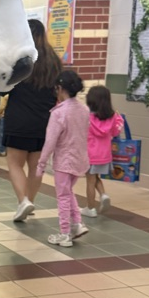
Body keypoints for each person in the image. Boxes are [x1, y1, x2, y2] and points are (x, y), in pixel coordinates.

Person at [1, 19, 61, 221]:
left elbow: (2, 89)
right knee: (36, 166)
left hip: (19, 120)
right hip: (44, 121)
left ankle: (23, 201)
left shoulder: (19, 60)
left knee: (15, 163)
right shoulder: (54, 61)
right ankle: (29, 201)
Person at [37, 70, 90, 248]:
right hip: (80, 159)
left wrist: (41, 163)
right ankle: (77, 223)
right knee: (68, 192)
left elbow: (50, 141)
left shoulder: (59, 113)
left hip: (64, 161)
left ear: (59, 88)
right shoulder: (84, 109)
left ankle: (65, 233)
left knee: (63, 197)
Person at [83, 85, 124, 217]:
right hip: (104, 154)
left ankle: (90, 208)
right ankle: (103, 194)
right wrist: (119, 118)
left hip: (89, 154)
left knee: (90, 181)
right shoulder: (112, 117)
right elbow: (115, 132)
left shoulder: (87, 116)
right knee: (95, 177)